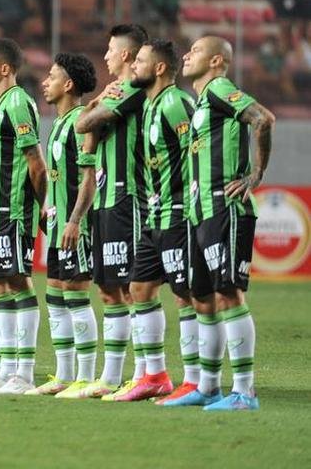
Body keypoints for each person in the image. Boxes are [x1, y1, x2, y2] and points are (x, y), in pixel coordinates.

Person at [162, 36, 274, 411]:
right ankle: (208, 387)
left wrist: (255, 175)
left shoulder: (220, 89)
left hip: (223, 209)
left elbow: (263, 118)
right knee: (203, 298)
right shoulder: (201, 101)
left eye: (193, 51)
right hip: (200, 212)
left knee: (228, 295)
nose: (186, 55)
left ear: (215, 60)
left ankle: (244, 392)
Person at [113, 39, 199, 403]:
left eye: (141, 61)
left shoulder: (176, 103)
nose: (133, 66)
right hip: (154, 215)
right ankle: (156, 375)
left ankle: (195, 381)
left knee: (187, 296)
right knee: (140, 288)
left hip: (179, 213)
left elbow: (196, 149)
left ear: (160, 68)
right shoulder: (149, 107)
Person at [71, 23, 150, 399]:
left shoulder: (132, 88)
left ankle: (146, 373)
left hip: (125, 196)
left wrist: (93, 108)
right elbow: (86, 131)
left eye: (110, 50)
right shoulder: (113, 91)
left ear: (127, 56)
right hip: (103, 199)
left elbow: (83, 123)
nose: (104, 56)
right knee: (108, 289)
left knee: (133, 288)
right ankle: (113, 376)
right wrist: (96, 105)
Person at [0, 38, 46, 395]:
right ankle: (5, 368)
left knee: (17, 281)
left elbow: (36, 163)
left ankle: (25, 373)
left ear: (4, 68)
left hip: (11, 209)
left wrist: (40, 206)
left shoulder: (17, 102)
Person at [33, 53, 99, 397]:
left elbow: (90, 178)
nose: (46, 81)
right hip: (59, 225)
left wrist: (75, 219)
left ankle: (86, 377)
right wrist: (49, 212)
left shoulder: (80, 122)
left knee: (76, 295)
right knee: (56, 295)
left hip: (78, 228)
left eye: (52, 75)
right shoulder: (60, 123)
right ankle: (64, 374)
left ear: (68, 84)